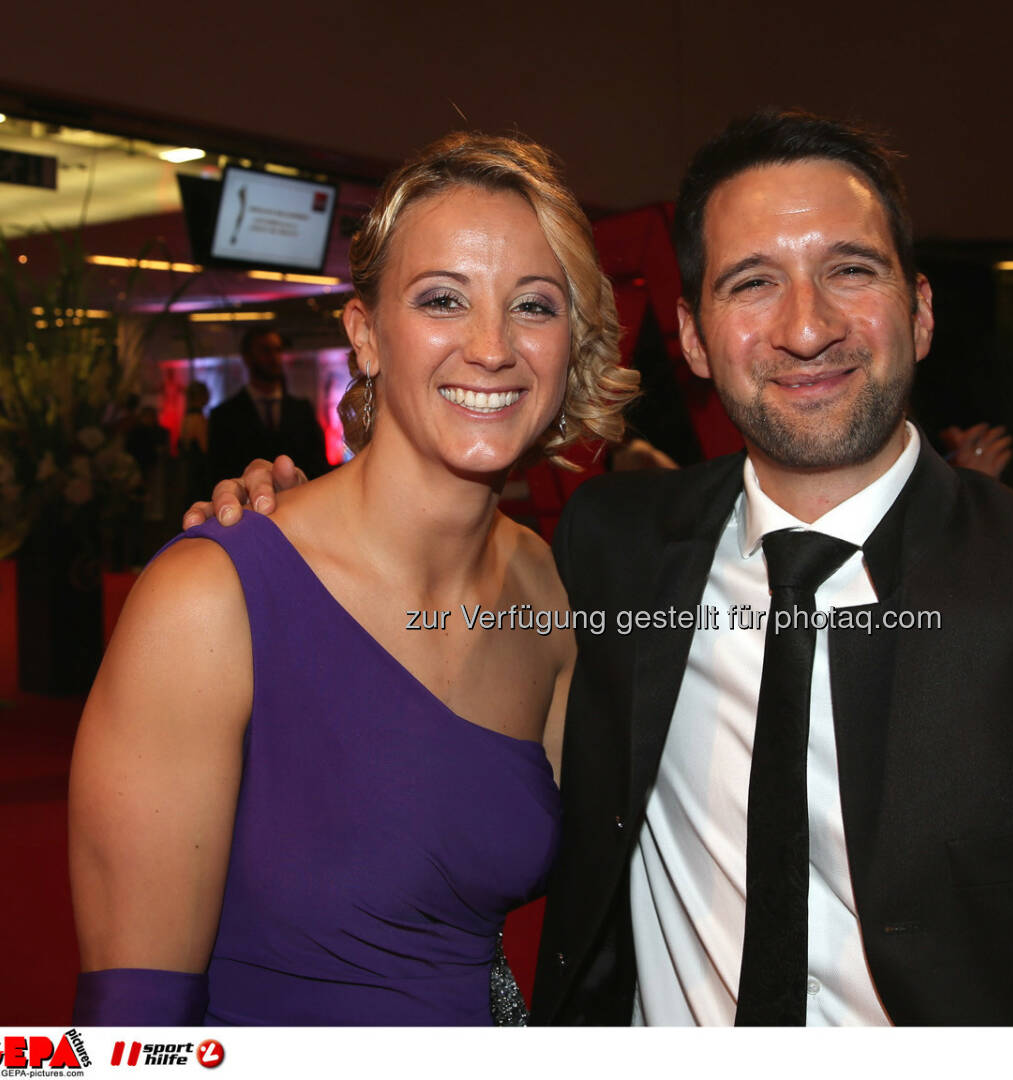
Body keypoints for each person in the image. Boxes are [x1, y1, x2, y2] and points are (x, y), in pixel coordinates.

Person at [198, 109, 1013, 1024]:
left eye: (850, 272)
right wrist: (283, 517)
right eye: (752, 283)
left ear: (919, 314)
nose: (806, 327)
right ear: (688, 336)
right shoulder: (611, 555)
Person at [70, 131, 636, 1025]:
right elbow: (131, 1023)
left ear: (572, 344)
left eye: (534, 305)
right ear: (366, 336)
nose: (491, 347)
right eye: (443, 299)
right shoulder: (211, 600)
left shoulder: (549, 590)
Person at [207, 325, 331, 482]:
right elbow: (215, 474)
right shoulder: (224, 416)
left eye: (278, 350)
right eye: (265, 351)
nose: (274, 358)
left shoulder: (302, 410)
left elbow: (318, 467)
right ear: (248, 357)